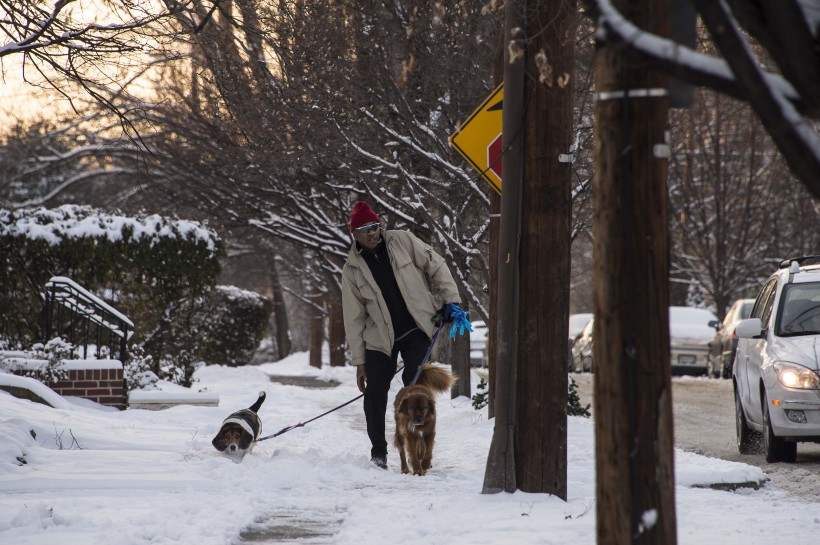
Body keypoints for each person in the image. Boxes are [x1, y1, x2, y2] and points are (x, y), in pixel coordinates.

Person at [341, 201, 463, 469]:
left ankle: (420, 443)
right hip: (380, 339)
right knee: (375, 392)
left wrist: (451, 299)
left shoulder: (403, 241)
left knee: (415, 383)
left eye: (375, 226)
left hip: (417, 327)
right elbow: (353, 318)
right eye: (365, 229)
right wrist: (360, 361)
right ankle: (379, 452)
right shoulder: (351, 270)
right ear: (355, 234)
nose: (373, 233)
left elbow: (437, 265)